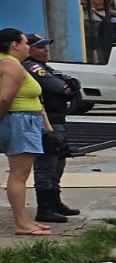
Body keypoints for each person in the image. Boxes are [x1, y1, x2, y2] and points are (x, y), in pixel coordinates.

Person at [21, 33, 80, 223]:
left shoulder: (46, 67)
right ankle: (44, 208)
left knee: (59, 162)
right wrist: (69, 87)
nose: (45, 50)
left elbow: (70, 83)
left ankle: (55, 202)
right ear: (28, 49)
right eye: (40, 47)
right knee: (47, 164)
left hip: (58, 119)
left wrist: (71, 86)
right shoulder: (32, 67)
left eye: (46, 46)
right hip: (47, 121)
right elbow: (60, 87)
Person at [0, 27, 52, 235]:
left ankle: (24, 220)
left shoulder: (8, 63)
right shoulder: (11, 66)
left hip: (21, 120)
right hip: (20, 121)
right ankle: (22, 223)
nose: (28, 47)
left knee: (19, 174)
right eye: (25, 43)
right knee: (19, 175)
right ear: (15, 45)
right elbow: (5, 98)